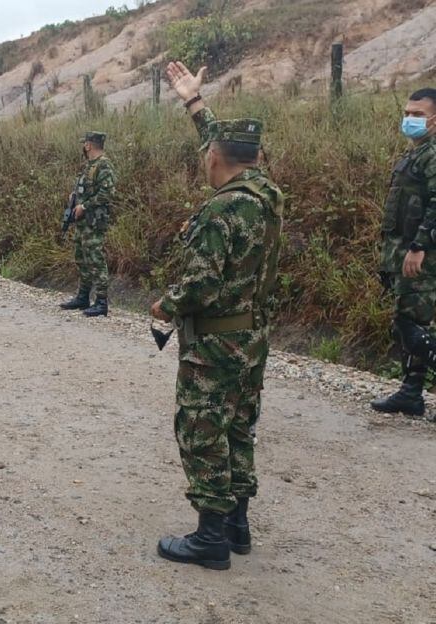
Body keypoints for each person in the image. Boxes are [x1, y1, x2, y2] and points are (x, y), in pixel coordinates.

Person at [150, 61, 284, 571]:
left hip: (214, 346)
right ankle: (237, 524)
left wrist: (166, 304)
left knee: (203, 429)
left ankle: (210, 539)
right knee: (239, 428)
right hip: (252, 340)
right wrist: (195, 103)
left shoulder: (221, 210)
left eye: (207, 153)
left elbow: (201, 284)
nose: (204, 159)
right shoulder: (266, 194)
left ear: (215, 158)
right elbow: (228, 143)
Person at [370, 88, 436, 419]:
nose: (409, 119)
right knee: (410, 321)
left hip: (421, 256)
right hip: (402, 253)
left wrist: (419, 246)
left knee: (410, 323)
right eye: (407, 113)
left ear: (434, 120)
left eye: (418, 115)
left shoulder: (433, 155)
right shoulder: (416, 154)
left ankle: (412, 392)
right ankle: (411, 394)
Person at [59, 131, 116, 317]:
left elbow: (107, 194)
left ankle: (101, 302)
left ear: (89, 145)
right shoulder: (90, 166)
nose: (83, 146)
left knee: (96, 260)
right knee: (81, 257)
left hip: (94, 221)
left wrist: (85, 205)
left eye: (85, 143)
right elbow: (87, 189)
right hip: (83, 222)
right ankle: (83, 297)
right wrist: (75, 199)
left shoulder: (104, 165)